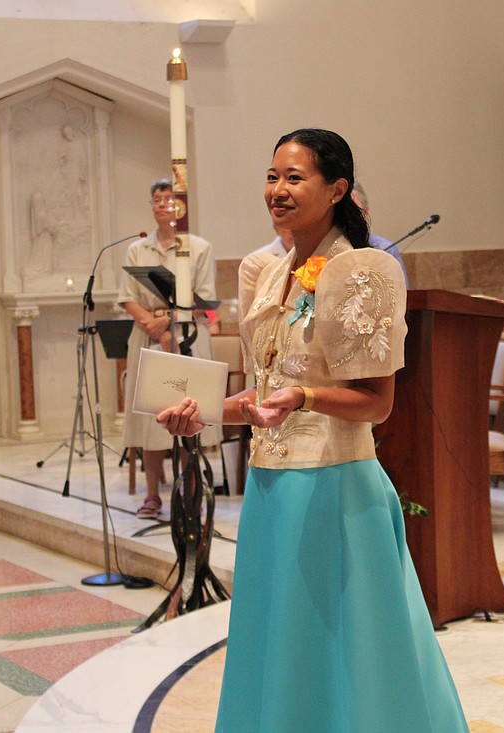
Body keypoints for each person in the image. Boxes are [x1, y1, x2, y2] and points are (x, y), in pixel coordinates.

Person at [157, 129, 469, 732]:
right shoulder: (268, 275)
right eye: (272, 177)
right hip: (272, 489)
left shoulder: (363, 271)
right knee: (279, 647)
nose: (277, 190)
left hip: (335, 489)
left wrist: (304, 396)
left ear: (337, 189)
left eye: (294, 178)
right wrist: (203, 414)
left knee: (349, 652)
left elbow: (376, 403)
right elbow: (265, 391)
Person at [116, 178, 220, 519]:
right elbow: (127, 296)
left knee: (192, 410)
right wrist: (154, 323)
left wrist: (170, 320)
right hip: (148, 335)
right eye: (157, 199)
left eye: (169, 198)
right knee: (151, 414)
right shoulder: (138, 249)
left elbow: (203, 295)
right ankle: (151, 495)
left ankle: (191, 489)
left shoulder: (198, 247)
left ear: (181, 206)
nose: (163, 204)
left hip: (188, 333)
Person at [352, 181, 409, 284]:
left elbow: (403, 295)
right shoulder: (326, 247)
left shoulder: (385, 248)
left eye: (354, 211)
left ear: (365, 214)